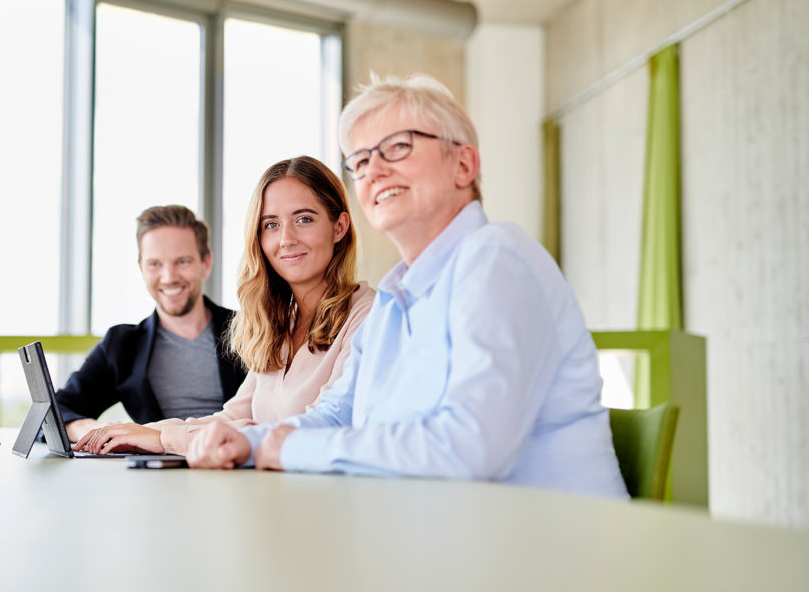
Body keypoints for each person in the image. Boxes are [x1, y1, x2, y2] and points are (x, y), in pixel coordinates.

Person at [188, 75, 629, 498]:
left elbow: (471, 446)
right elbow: (337, 412)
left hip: (552, 553)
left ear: (463, 164)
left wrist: (288, 448)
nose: (373, 170)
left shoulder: (496, 257)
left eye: (397, 147)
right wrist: (251, 443)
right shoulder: (395, 297)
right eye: (359, 161)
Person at [73, 156, 375, 456]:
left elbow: (322, 426)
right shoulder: (278, 323)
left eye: (304, 219)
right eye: (271, 224)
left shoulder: (368, 314)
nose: (286, 239)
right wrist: (146, 432)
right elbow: (230, 418)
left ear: (339, 227)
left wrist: (165, 439)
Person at [54, 205, 247, 443]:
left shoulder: (250, 330)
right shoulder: (123, 345)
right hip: (156, 473)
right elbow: (55, 411)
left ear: (205, 263)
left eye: (182, 262)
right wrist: (88, 428)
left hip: (233, 465)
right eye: (155, 264)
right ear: (141, 268)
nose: (168, 277)